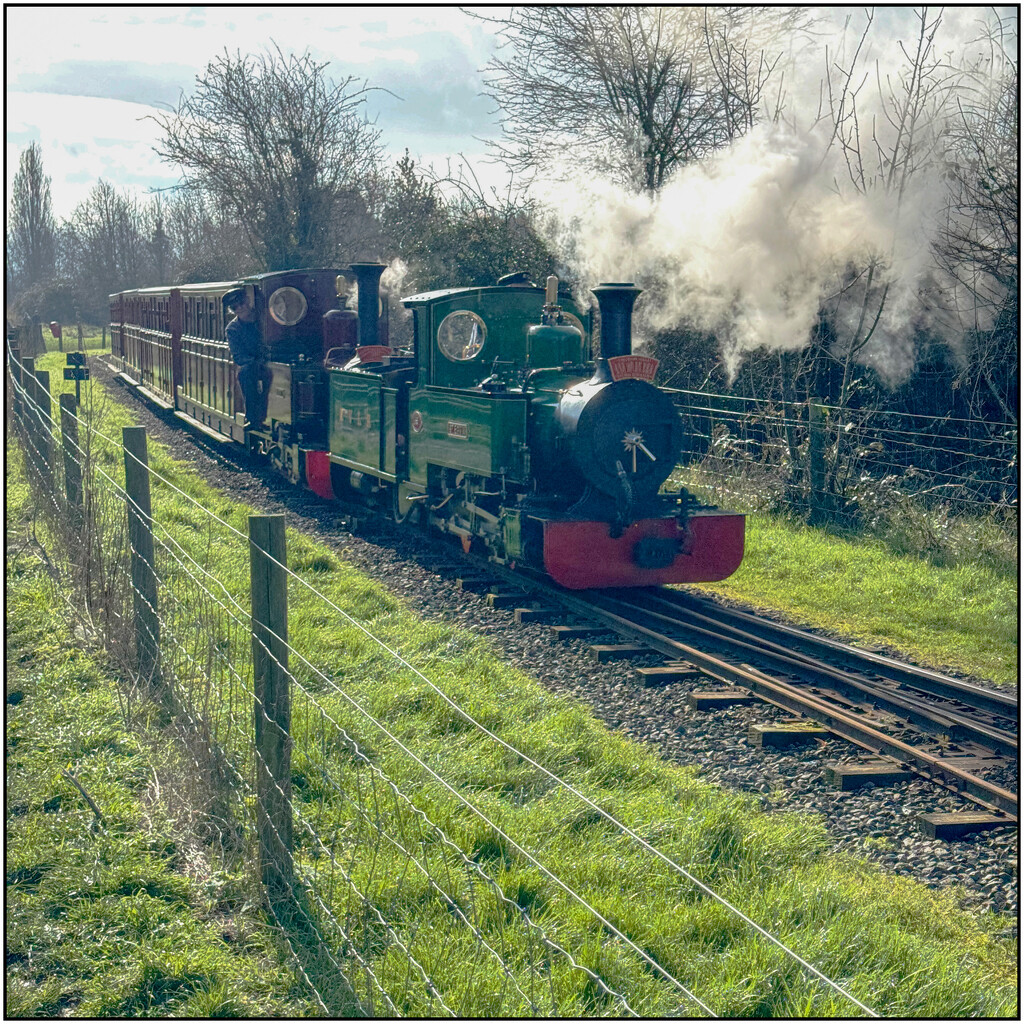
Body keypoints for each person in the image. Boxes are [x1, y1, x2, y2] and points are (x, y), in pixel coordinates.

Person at [224, 288, 269, 428]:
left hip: (274, 357)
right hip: (255, 364)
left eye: (241, 303)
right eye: (234, 307)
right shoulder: (232, 329)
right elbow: (238, 356)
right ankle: (253, 417)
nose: (239, 308)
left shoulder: (266, 319)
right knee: (245, 373)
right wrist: (257, 362)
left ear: (248, 301)